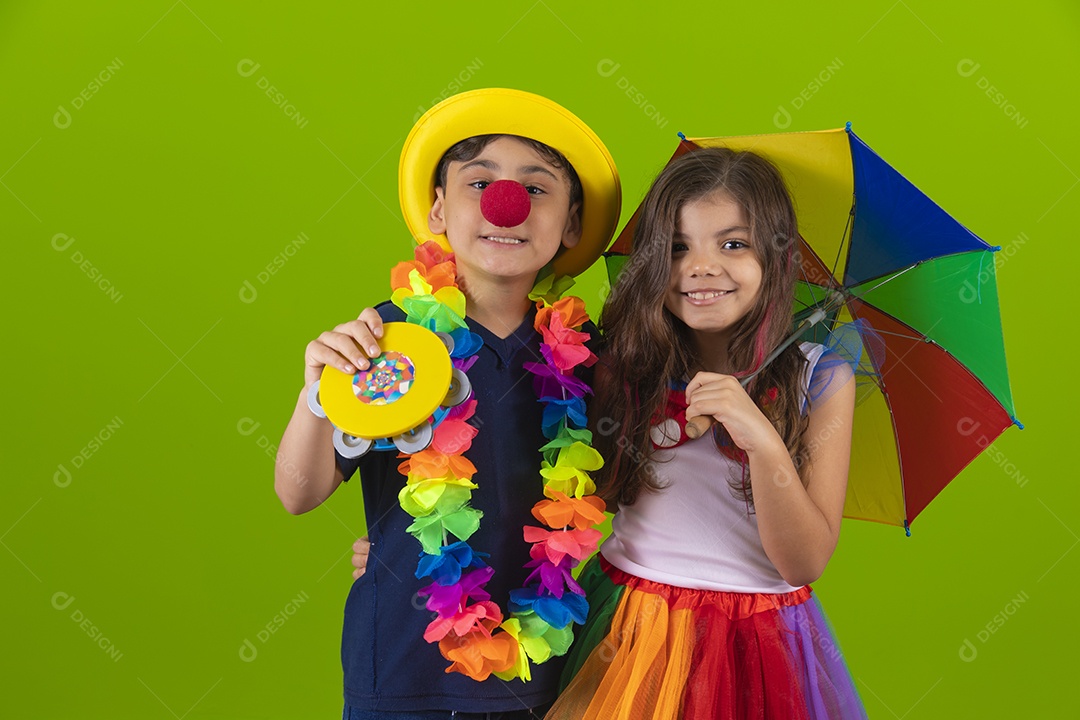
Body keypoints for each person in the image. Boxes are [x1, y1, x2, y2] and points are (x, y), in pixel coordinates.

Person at [274, 88, 621, 719]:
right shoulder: (388, 338)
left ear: (570, 224)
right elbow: (298, 492)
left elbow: (629, 499)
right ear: (438, 209)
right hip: (404, 666)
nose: (506, 204)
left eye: (537, 189)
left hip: (541, 669)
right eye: (478, 182)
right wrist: (315, 392)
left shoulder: (591, 357)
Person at [545, 146, 868, 719]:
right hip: (629, 625)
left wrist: (759, 437)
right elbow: (562, 487)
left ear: (779, 258)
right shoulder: (622, 362)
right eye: (677, 247)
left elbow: (804, 562)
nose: (701, 266)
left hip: (758, 640)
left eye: (733, 244)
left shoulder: (821, 378)